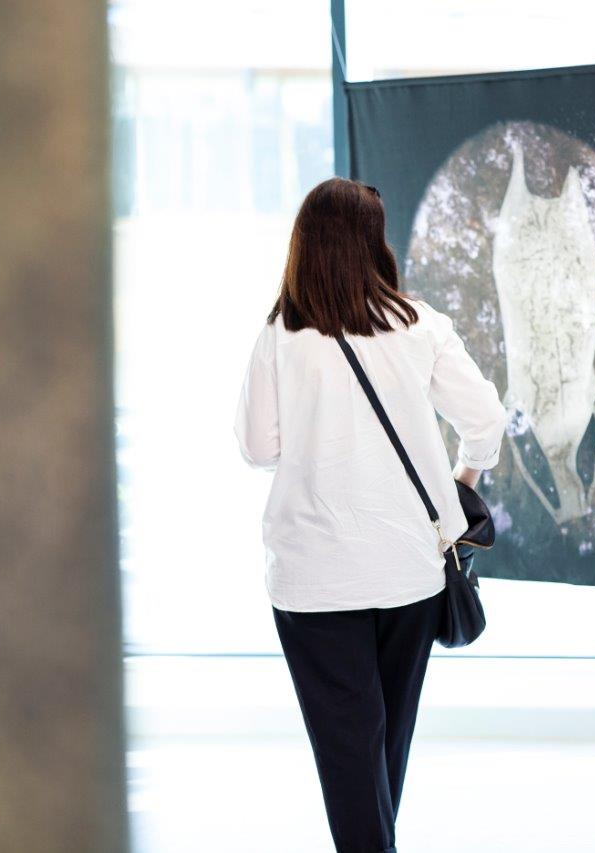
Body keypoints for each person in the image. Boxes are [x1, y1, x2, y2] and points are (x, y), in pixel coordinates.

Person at [233, 177, 508, 852]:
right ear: (372, 243)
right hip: (408, 571)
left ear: (305, 246)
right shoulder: (420, 325)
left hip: (313, 579)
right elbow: (487, 420)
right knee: (382, 748)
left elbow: (257, 447)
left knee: (349, 756)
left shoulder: (281, 335)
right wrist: (460, 481)